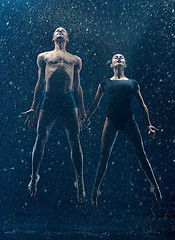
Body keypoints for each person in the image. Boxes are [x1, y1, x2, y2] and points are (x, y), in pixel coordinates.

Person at [82, 53, 162, 206]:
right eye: (115, 57)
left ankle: (155, 186)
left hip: (128, 121)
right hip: (111, 120)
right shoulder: (105, 83)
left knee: (141, 155)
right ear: (111, 65)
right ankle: (95, 191)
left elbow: (142, 104)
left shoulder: (132, 83)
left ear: (125, 65)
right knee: (103, 157)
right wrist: (87, 117)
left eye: (122, 57)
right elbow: (95, 103)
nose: (118, 58)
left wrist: (148, 124)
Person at [22, 27, 86, 203]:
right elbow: (40, 82)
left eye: (63, 30)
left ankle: (80, 181)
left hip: (68, 100)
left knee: (75, 139)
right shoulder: (44, 57)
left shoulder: (75, 59)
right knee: (40, 137)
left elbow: (77, 86)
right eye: (57, 30)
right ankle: (34, 176)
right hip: (49, 99)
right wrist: (34, 107)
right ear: (53, 38)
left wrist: (83, 111)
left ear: (67, 38)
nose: (60, 31)